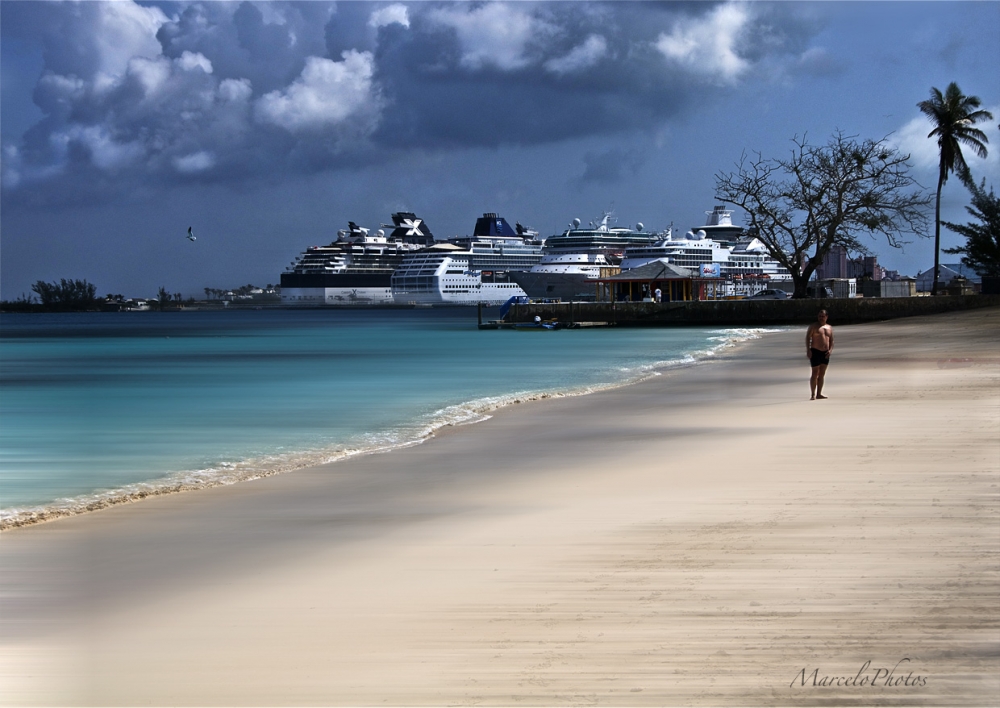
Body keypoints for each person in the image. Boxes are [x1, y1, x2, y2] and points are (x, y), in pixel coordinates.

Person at [805, 309, 834, 400]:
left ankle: (819, 394)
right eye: (819, 316)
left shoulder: (829, 328)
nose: (821, 318)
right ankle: (813, 394)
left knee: (822, 374)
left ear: (826, 317)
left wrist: (830, 350)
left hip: (825, 353)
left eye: (823, 316)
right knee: (815, 373)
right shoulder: (813, 326)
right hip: (815, 351)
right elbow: (807, 338)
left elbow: (832, 340)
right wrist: (808, 350)